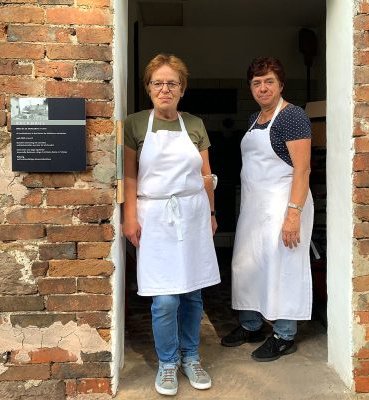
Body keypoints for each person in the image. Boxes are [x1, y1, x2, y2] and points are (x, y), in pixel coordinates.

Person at [123, 53, 220, 396]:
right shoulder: (135, 124)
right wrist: (130, 215)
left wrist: (210, 213)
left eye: (172, 83)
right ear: (148, 88)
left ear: (182, 89)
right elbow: (130, 176)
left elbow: (205, 175)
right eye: (158, 83)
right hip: (155, 217)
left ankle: (191, 355)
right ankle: (168, 362)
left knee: (193, 293)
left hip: (192, 214)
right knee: (164, 299)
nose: (165, 89)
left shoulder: (194, 124)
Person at [221, 57, 314, 362]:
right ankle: (251, 326)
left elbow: (302, 170)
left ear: (281, 84)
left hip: (285, 204)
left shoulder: (293, 116)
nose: (262, 88)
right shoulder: (253, 119)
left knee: (282, 266)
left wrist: (293, 213)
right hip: (254, 207)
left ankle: (284, 334)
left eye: (269, 81)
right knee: (247, 265)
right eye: (257, 82)